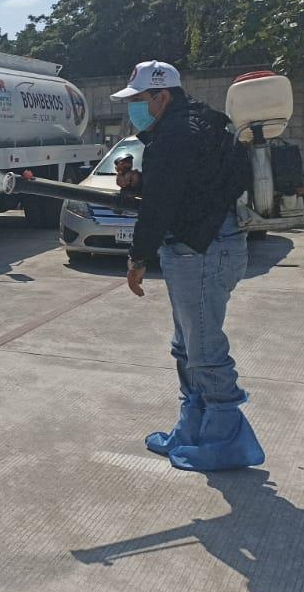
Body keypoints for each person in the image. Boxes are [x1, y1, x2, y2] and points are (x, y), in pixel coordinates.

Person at [110, 61, 263, 472]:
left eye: (138, 101)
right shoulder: (205, 123)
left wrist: (137, 258)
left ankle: (225, 440)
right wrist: (141, 182)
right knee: (186, 346)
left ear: (161, 96)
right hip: (206, 245)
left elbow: (161, 206)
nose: (134, 110)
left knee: (204, 350)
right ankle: (193, 427)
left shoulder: (176, 134)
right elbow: (197, 182)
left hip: (202, 250)